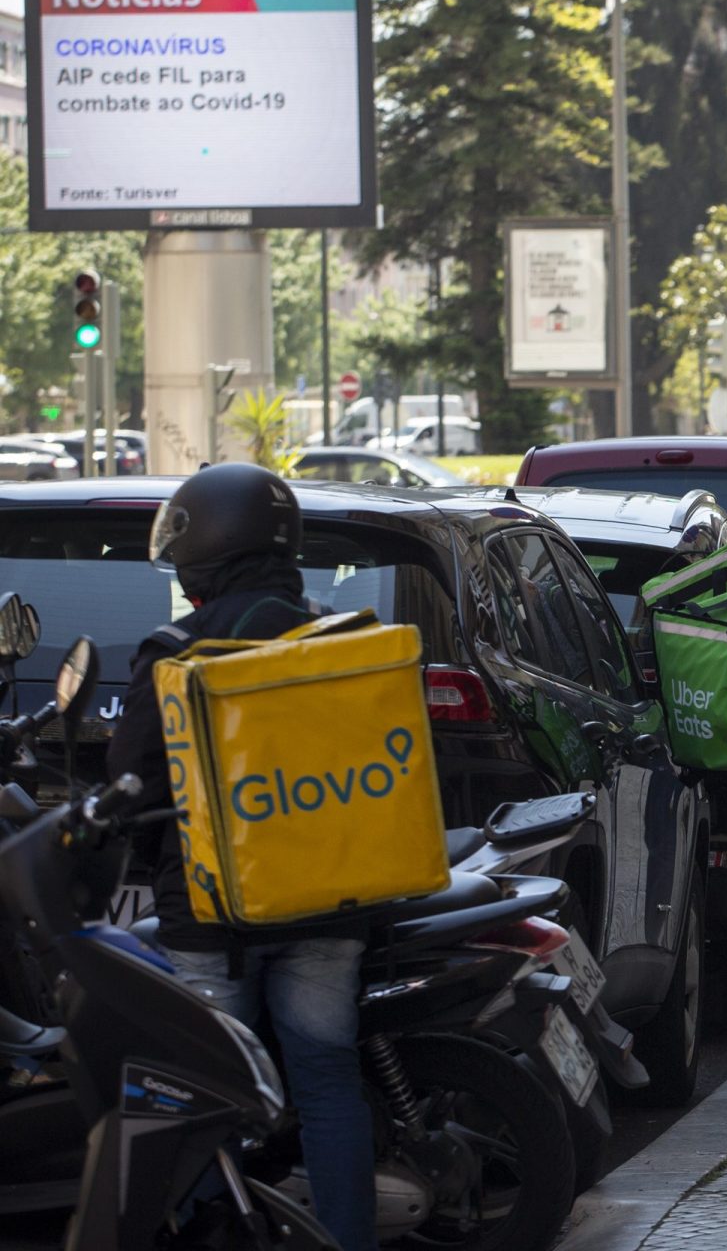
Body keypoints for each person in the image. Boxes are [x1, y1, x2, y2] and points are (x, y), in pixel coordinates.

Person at [105, 464, 376, 1251]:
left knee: (197, 1094)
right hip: (332, 907)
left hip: (209, 922)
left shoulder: (177, 654)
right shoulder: (340, 641)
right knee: (328, 1083)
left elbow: (131, 782)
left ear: (206, 555)